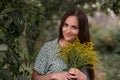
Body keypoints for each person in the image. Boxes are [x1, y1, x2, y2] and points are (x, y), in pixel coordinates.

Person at [32, 8, 95, 80]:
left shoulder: (84, 53)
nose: (68, 31)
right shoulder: (48, 47)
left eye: (74, 27)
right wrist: (52, 76)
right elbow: (34, 78)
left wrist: (84, 78)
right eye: (66, 25)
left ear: (81, 30)